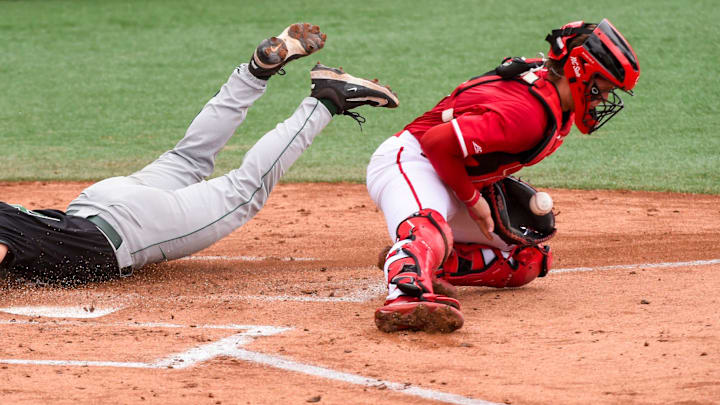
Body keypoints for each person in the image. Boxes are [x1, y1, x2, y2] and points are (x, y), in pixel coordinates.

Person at [0, 23, 398, 284]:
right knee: (188, 157)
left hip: (131, 230)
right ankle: (254, 72)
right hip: (95, 202)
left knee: (244, 191)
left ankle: (326, 100)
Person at [367, 19, 640, 333]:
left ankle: (426, 262)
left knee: (526, 259)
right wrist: (474, 201)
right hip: (414, 162)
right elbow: (436, 143)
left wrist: (479, 190)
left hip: (452, 173)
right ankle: (405, 293)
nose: (603, 99)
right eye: (602, 88)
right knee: (430, 225)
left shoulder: (553, 94)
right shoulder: (528, 115)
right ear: (580, 73)